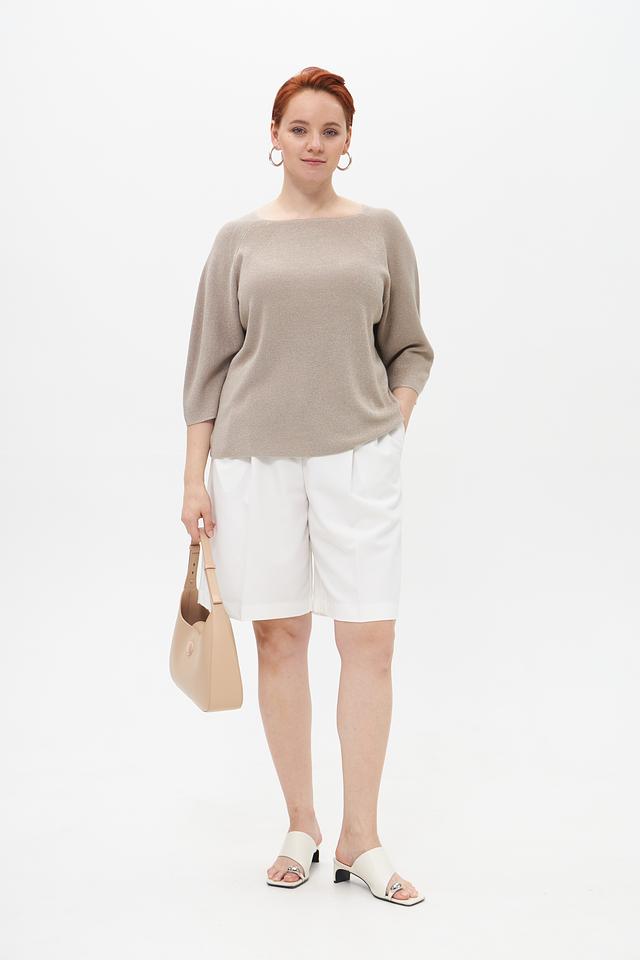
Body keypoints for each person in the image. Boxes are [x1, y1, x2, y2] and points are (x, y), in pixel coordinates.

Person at [180, 66, 434, 906]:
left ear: (348, 140)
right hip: (253, 464)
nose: (314, 143)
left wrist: (391, 422)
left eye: (330, 130)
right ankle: (302, 824)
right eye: (299, 128)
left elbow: (410, 346)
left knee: (369, 640)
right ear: (275, 136)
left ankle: (362, 837)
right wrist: (193, 479)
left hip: (359, 457)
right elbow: (207, 368)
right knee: (280, 639)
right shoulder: (238, 240)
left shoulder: (380, 231)